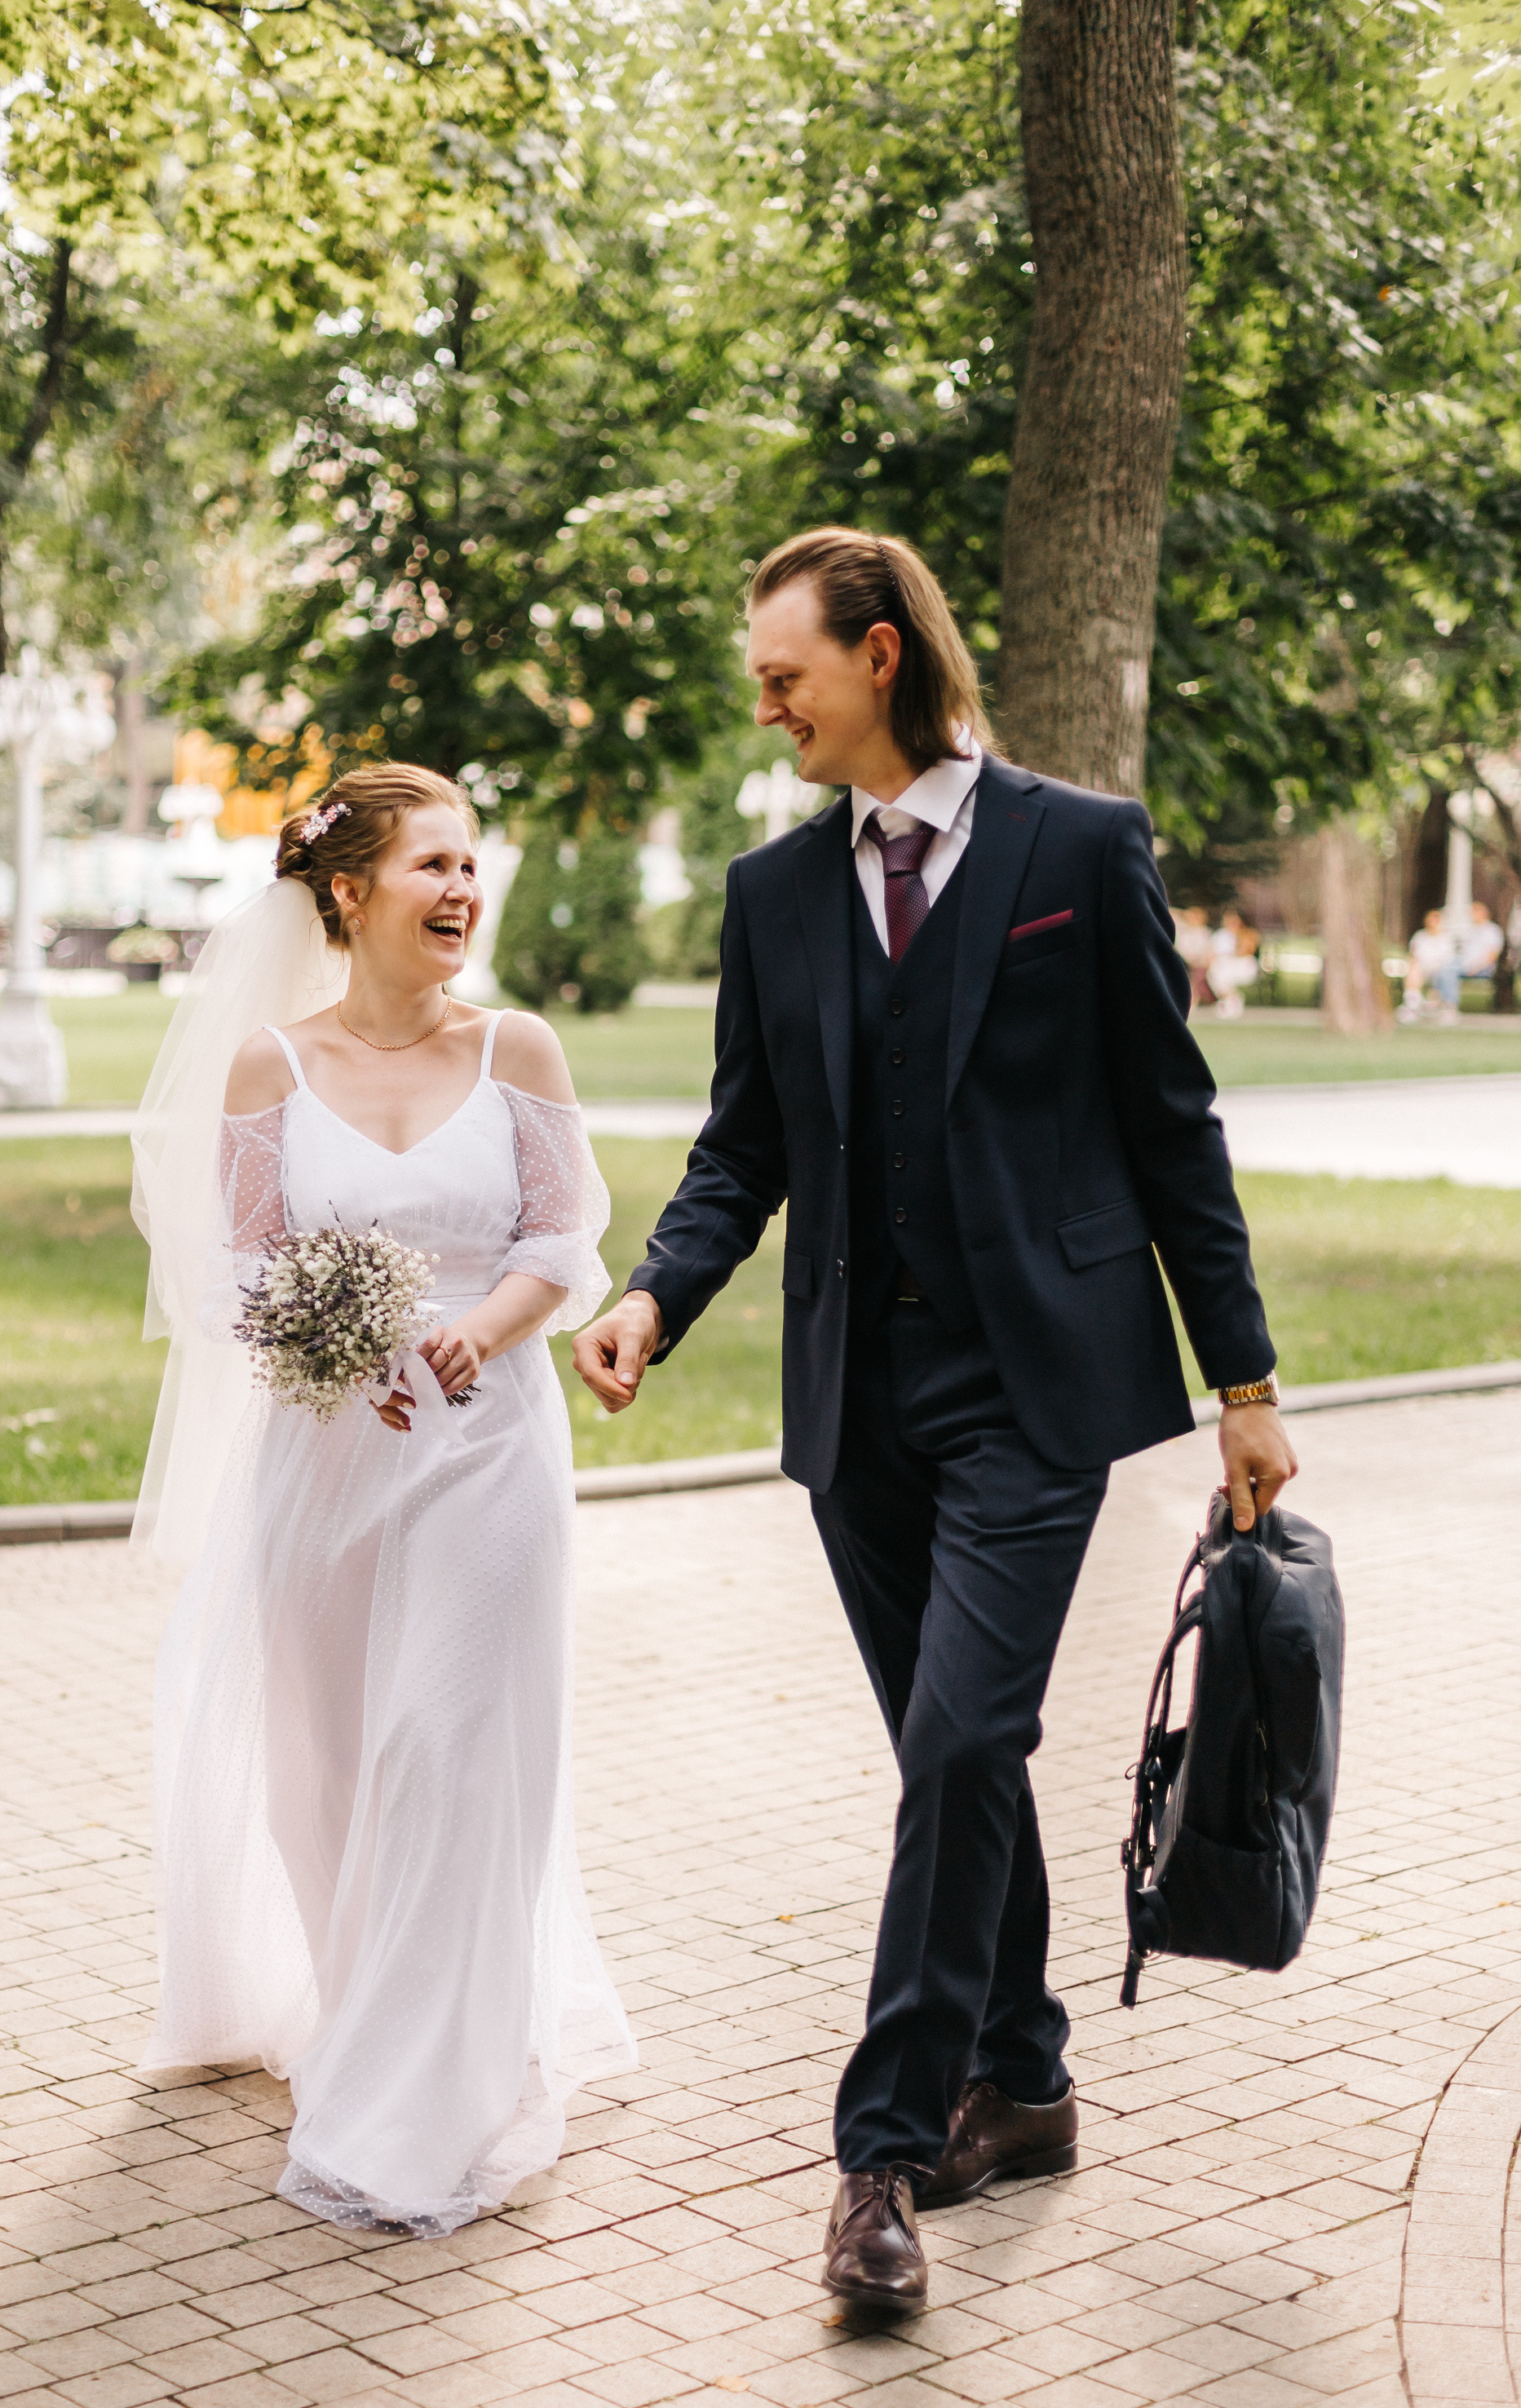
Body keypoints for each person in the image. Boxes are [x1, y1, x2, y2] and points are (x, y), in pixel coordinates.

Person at [573, 528, 1296, 2313]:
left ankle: (877, 2156)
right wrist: (656, 1291)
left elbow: (1168, 1127)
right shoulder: (773, 893)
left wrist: (1244, 1381)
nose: (767, 703)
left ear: (881, 654)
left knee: (965, 1741)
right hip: (856, 1404)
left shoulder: (1079, 848)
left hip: (1030, 1388)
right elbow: (743, 1144)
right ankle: (1027, 2077)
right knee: (947, 1755)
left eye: (785, 672)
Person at [130, 762, 635, 2237]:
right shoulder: (267, 1074)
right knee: (333, 1761)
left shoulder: (520, 1051)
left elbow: (565, 1237)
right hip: (329, 1465)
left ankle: (432, 2089)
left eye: (471, 864)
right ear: (348, 895)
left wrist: (474, 1335)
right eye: (432, 866)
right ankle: (360, 2017)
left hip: (488, 1458)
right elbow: (237, 1274)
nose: (464, 890)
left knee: (451, 1751)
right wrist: (344, 1353)